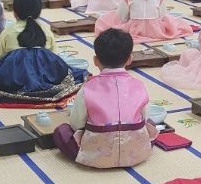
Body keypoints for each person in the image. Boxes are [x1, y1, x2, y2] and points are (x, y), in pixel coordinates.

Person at [52, 29, 157, 168]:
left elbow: (76, 124)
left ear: (96, 61)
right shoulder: (139, 85)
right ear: (130, 59)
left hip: (95, 156)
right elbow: (145, 118)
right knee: (152, 124)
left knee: (61, 131)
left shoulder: (88, 88)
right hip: (136, 153)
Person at [0, 0, 85, 105]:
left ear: (14, 13)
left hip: (13, 79)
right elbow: (54, 57)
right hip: (45, 78)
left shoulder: (8, 31)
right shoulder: (45, 30)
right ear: (39, 12)